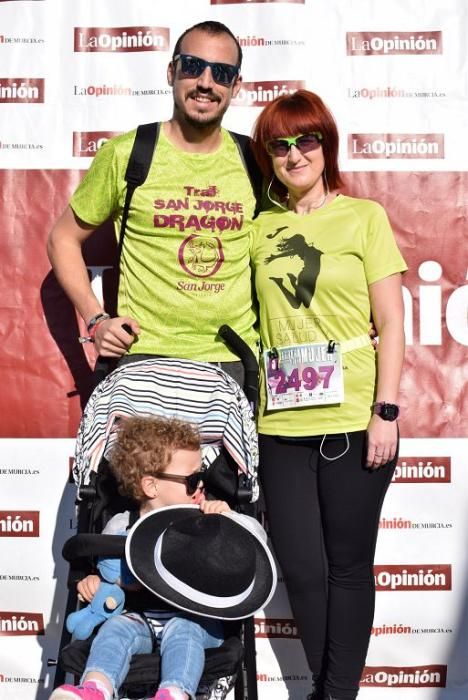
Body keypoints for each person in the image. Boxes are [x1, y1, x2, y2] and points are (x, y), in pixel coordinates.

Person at [249, 90, 407, 700]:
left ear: (326, 144)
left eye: (305, 140)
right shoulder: (258, 228)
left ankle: (334, 694)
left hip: (353, 415)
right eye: (280, 144)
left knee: (346, 567)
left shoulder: (364, 217)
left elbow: (391, 322)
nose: (294, 154)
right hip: (281, 422)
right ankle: (331, 690)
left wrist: (385, 410)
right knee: (305, 572)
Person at [46, 21, 259, 386]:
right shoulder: (127, 153)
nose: (206, 82)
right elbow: (61, 239)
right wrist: (96, 321)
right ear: (171, 71)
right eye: (193, 66)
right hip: (143, 360)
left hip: (232, 363)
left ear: (235, 86)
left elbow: (300, 230)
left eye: (222, 73)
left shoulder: (255, 160)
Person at [51, 415, 275, 700]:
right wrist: (93, 581)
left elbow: (256, 541)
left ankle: (175, 692)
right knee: (116, 629)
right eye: (193, 480)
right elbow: (103, 564)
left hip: (197, 623)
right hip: (141, 621)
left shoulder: (203, 518)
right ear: (150, 486)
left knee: (184, 630)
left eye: (202, 477)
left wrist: (228, 518)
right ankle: (95, 688)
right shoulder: (122, 524)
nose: (202, 486)